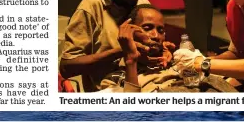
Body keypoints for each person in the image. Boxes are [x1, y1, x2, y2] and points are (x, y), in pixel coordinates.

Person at [60, 0, 152, 92]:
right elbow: (67, 67)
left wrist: (162, 50)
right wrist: (121, 51)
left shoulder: (142, 3)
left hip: (145, 84)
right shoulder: (92, 7)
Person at [100, 5, 235, 93]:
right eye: (147, 28)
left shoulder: (177, 63)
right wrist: (131, 59)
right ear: (129, 32)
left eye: (161, 30)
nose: (156, 36)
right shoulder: (116, 78)